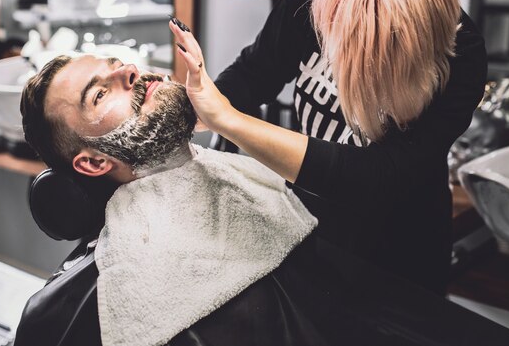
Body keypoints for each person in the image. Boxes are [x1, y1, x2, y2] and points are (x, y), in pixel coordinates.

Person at [171, 0, 487, 295]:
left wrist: (226, 119)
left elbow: (383, 177)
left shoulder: (461, 52)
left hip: (400, 258)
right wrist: (183, 115)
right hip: (307, 229)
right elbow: (254, 74)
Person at [19, 54, 319, 346]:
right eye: (99, 94)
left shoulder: (250, 178)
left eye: (118, 64)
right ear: (95, 163)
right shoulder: (111, 290)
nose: (131, 71)